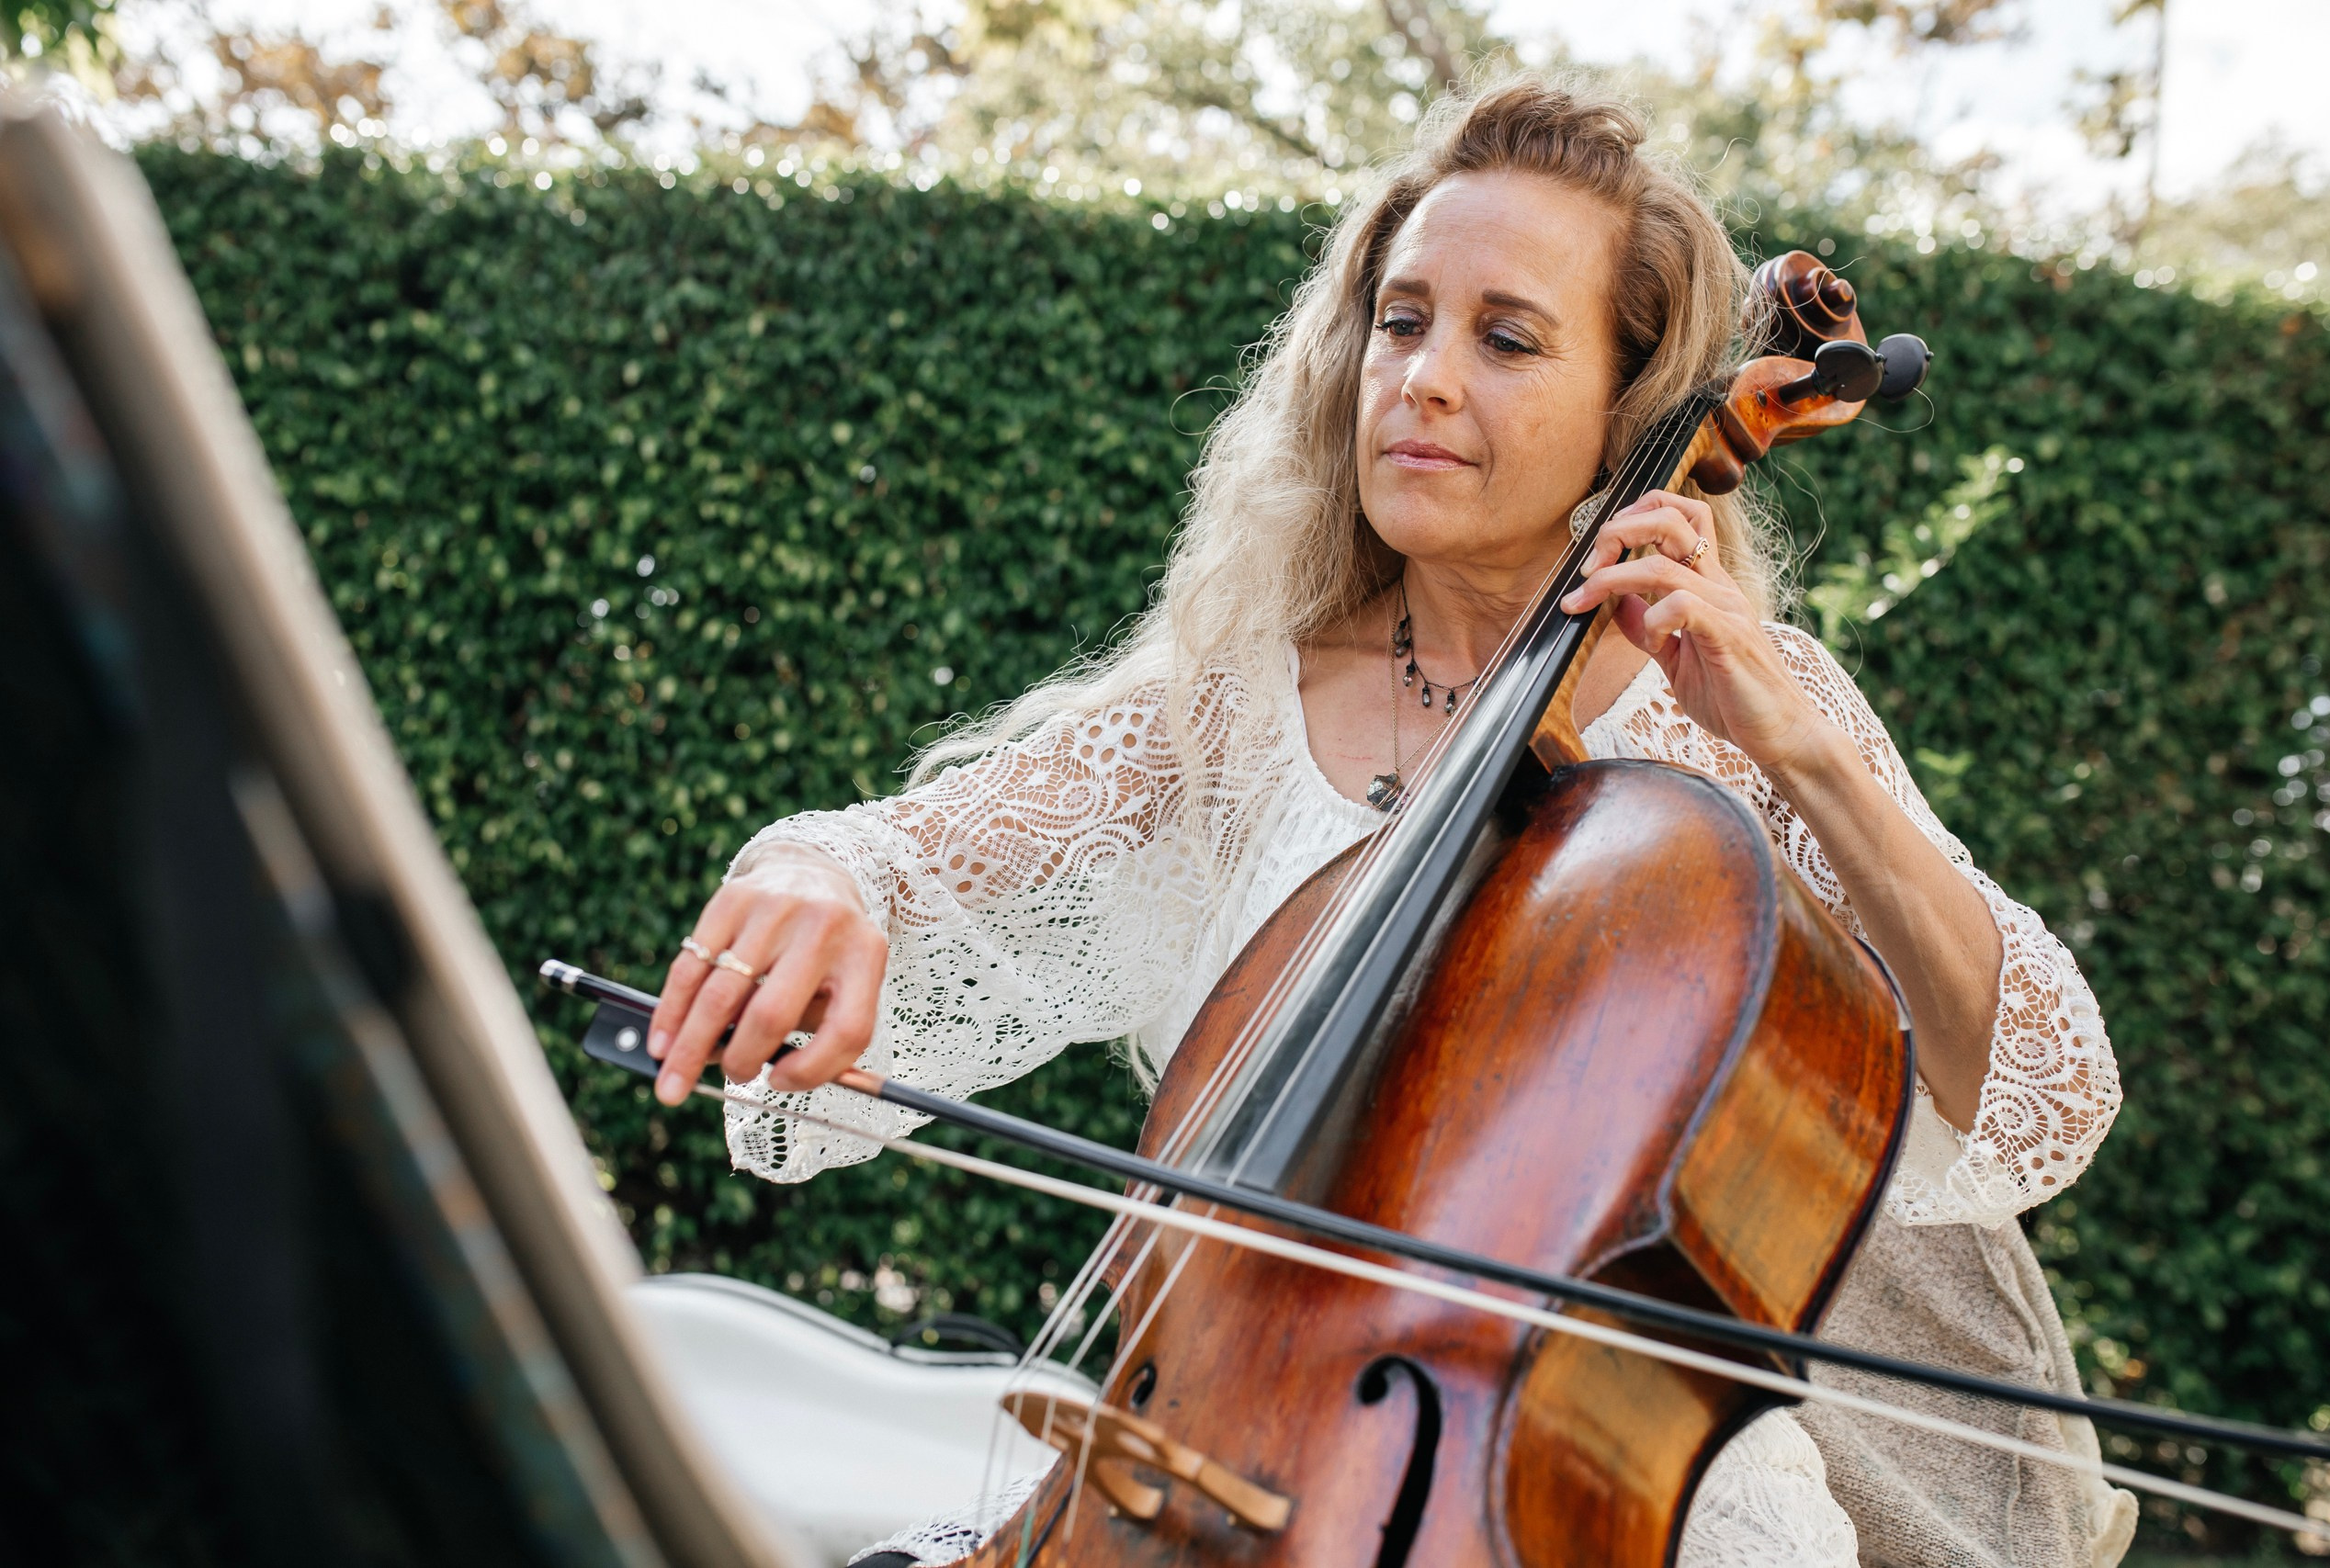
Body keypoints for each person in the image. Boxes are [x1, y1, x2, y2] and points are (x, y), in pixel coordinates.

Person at [645, 70, 2134, 1568]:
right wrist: (815, 873)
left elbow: (2033, 1080)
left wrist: (1801, 749)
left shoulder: (1744, 710)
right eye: (1403, 319)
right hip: (1220, 1466)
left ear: (1627, 410)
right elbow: (903, 854)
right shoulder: (1234, 711)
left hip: (1615, 1506)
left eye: (1505, 338)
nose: (1420, 375)